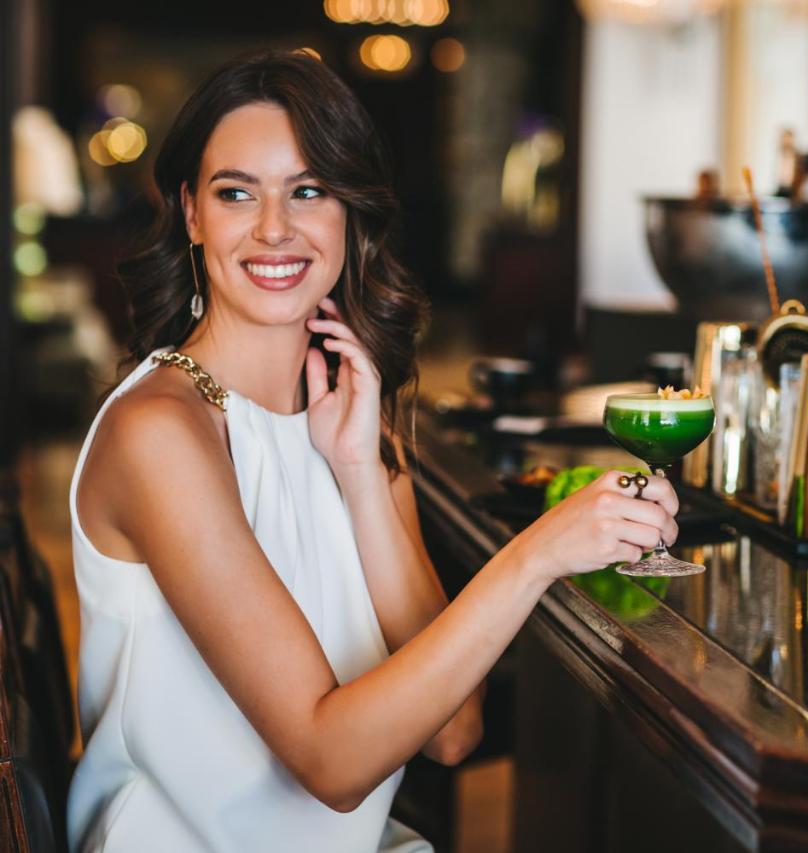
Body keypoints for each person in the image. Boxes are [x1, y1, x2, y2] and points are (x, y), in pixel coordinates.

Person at [67, 50, 678, 853]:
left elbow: (452, 731)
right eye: (236, 193)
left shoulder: (352, 420)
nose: (275, 227)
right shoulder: (162, 432)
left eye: (309, 190)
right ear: (190, 214)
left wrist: (361, 475)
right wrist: (534, 555)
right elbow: (332, 760)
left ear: (349, 213)